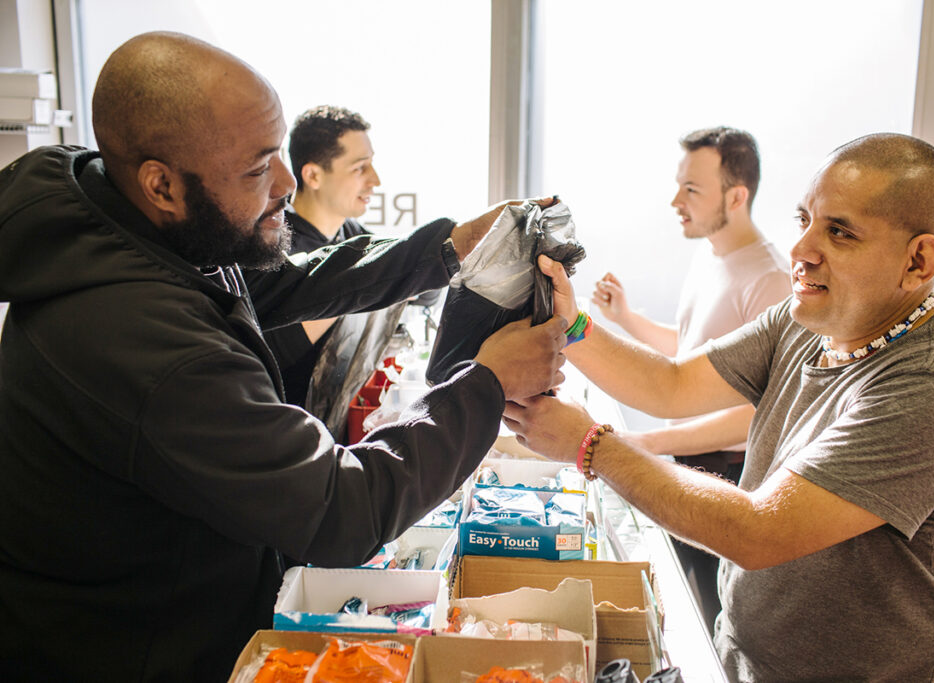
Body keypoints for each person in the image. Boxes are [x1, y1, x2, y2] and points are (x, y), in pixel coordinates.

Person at [0, 32, 567, 681]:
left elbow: (280, 281)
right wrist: (489, 384)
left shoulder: (125, 224)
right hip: (128, 649)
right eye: (256, 166)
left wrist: (445, 249)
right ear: (161, 184)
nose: (286, 181)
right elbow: (338, 509)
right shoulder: (147, 348)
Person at [504, 133, 934, 681]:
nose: (802, 251)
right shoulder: (806, 322)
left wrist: (591, 446)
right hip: (744, 654)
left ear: (919, 259)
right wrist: (571, 323)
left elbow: (757, 532)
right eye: (805, 221)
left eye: (839, 233)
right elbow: (671, 383)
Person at [590, 127, 790, 629]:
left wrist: (651, 443)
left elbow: (753, 415)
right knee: (685, 608)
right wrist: (628, 318)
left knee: (714, 619)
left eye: (692, 190)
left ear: (737, 196)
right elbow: (696, 357)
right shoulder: (713, 254)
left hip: (729, 475)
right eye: (680, 186)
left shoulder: (771, 281)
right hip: (689, 458)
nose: (676, 201)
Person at [259, 104, 381, 409]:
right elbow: (268, 352)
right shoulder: (273, 245)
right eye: (359, 168)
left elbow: (422, 292)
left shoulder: (352, 233)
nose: (375, 180)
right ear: (313, 175)